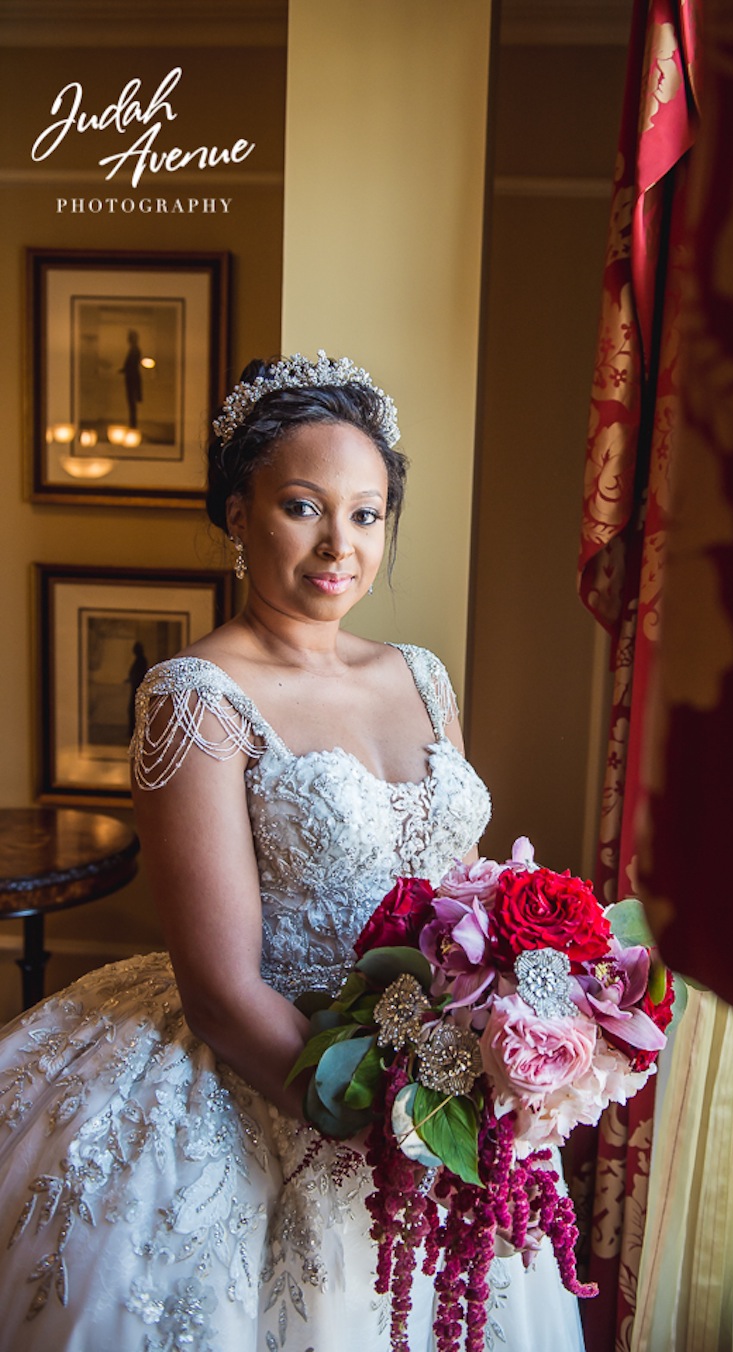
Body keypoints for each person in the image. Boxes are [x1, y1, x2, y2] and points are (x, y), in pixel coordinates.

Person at [0, 352, 587, 1352]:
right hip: (275, 1071)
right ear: (238, 512)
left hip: (435, 1067)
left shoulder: (421, 673)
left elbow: (468, 898)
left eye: (366, 513)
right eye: (303, 507)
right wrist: (383, 1129)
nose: (339, 546)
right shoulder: (195, 695)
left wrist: (496, 1043)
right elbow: (223, 991)